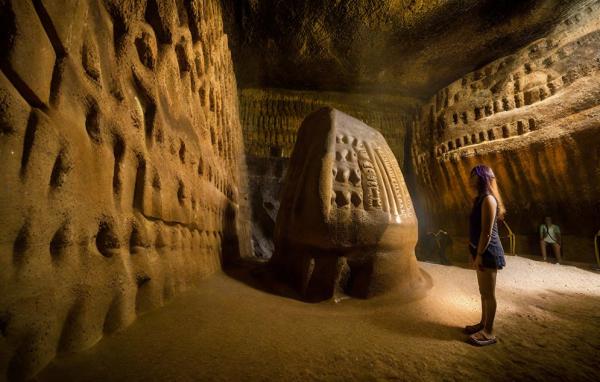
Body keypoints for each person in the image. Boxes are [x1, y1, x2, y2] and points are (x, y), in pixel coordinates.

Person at [464, 164, 506, 346]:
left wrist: (479, 254)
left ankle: (489, 332)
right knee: (483, 292)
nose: (470, 177)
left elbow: (487, 232)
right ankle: (483, 323)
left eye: (474, 174)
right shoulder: (479, 199)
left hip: (489, 251)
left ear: (482, 178)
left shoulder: (489, 199)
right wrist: (472, 250)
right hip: (480, 250)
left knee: (489, 294)